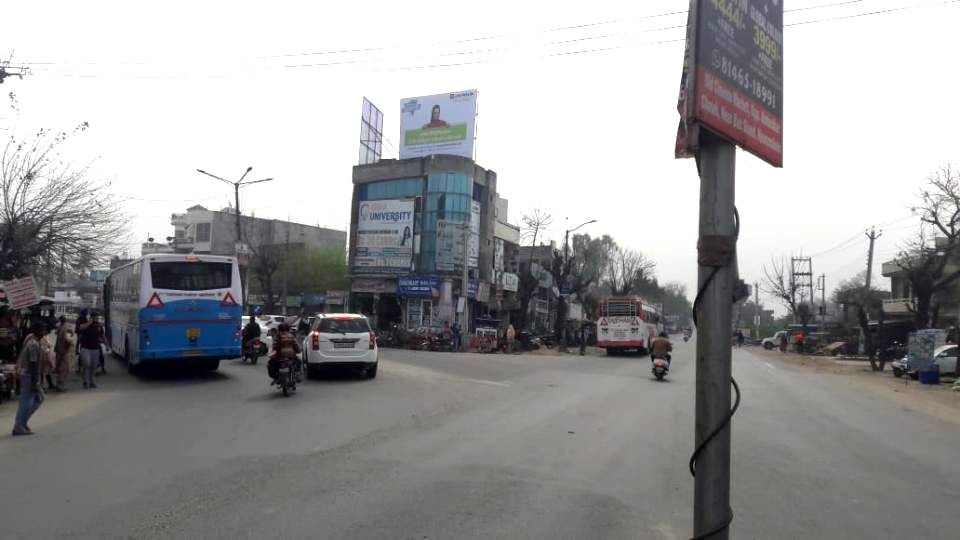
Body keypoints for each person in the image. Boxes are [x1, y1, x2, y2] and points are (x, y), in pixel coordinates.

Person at [12, 321, 47, 436]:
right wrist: (35, 381)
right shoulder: (33, 344)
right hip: (28, 375)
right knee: (27, 401)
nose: (43, 332)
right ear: (36, 331)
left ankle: (22, 423)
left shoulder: (33, 340)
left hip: (28, 375)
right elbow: (33, 363)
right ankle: (19, 426)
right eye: (41, 330)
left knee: (37, 399)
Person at [76, 310, 102, 389]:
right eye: (95, 317)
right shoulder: (86, 324)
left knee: (94, 366)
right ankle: (85, 381)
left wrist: (107, 345)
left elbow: (102, 336)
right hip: (85, 348)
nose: (97, 318)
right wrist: (89, 322)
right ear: (91, 317)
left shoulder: (99, 326)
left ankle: (92, 381)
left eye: (97, 317)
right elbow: (80, 328)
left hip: (95, 348)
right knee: (86, 364)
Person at [53, 316, 74, 391]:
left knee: (59, 368)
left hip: (59, 350)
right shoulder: (67, 327)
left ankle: (58, 384)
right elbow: (67, 338)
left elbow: (56, 333)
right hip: (65, 350)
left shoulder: (60, 327)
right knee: (65, 369)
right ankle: (61, 386)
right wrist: (71, 342)